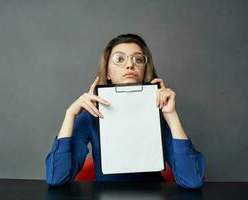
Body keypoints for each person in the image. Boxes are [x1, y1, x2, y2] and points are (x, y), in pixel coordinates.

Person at [45, 33, 205, 189]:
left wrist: (171, 115)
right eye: (119, 59)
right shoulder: (91, 114)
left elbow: (192, 180)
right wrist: (70, 114)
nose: (130, 65)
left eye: (138, 59)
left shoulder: (159, 112)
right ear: (107, 72)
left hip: (153, 194)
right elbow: (57, 178)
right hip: (107, 195)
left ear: (144, 70)